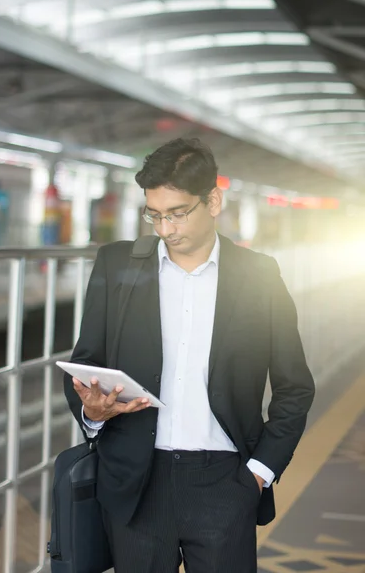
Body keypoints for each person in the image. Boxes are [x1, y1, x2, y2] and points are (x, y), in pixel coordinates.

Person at [64, 138, 315, 573]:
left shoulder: (259, 276)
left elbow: (295, 387)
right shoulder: (116, 266)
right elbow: (87, 360)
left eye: (177, 214)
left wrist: (258, 473)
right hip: (136, 484)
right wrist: (92, 413)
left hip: (225, 483)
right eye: (154, 215)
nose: (165, 229)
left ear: (213, 201)